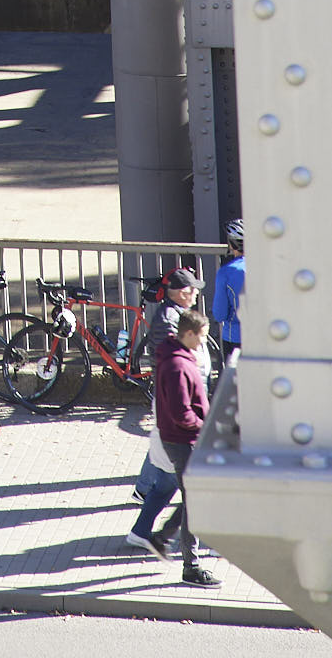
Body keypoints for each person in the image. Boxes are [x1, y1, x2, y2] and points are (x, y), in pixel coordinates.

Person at [139, 309, 221, 583]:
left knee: (194, 496)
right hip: (183, 441)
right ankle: (191, 567)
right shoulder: (178, 366)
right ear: (188, 334)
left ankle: (163, 538)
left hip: (181, 439)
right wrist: (205, 425)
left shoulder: (178, 357)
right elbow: (181, 413)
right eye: (201, 337)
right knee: (195, 500)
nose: (203, 343)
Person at [212, 220, 245, 369]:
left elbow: (219, 314)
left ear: (232, 245)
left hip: (235, 337)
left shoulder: (226, 272)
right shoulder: (268, 266)